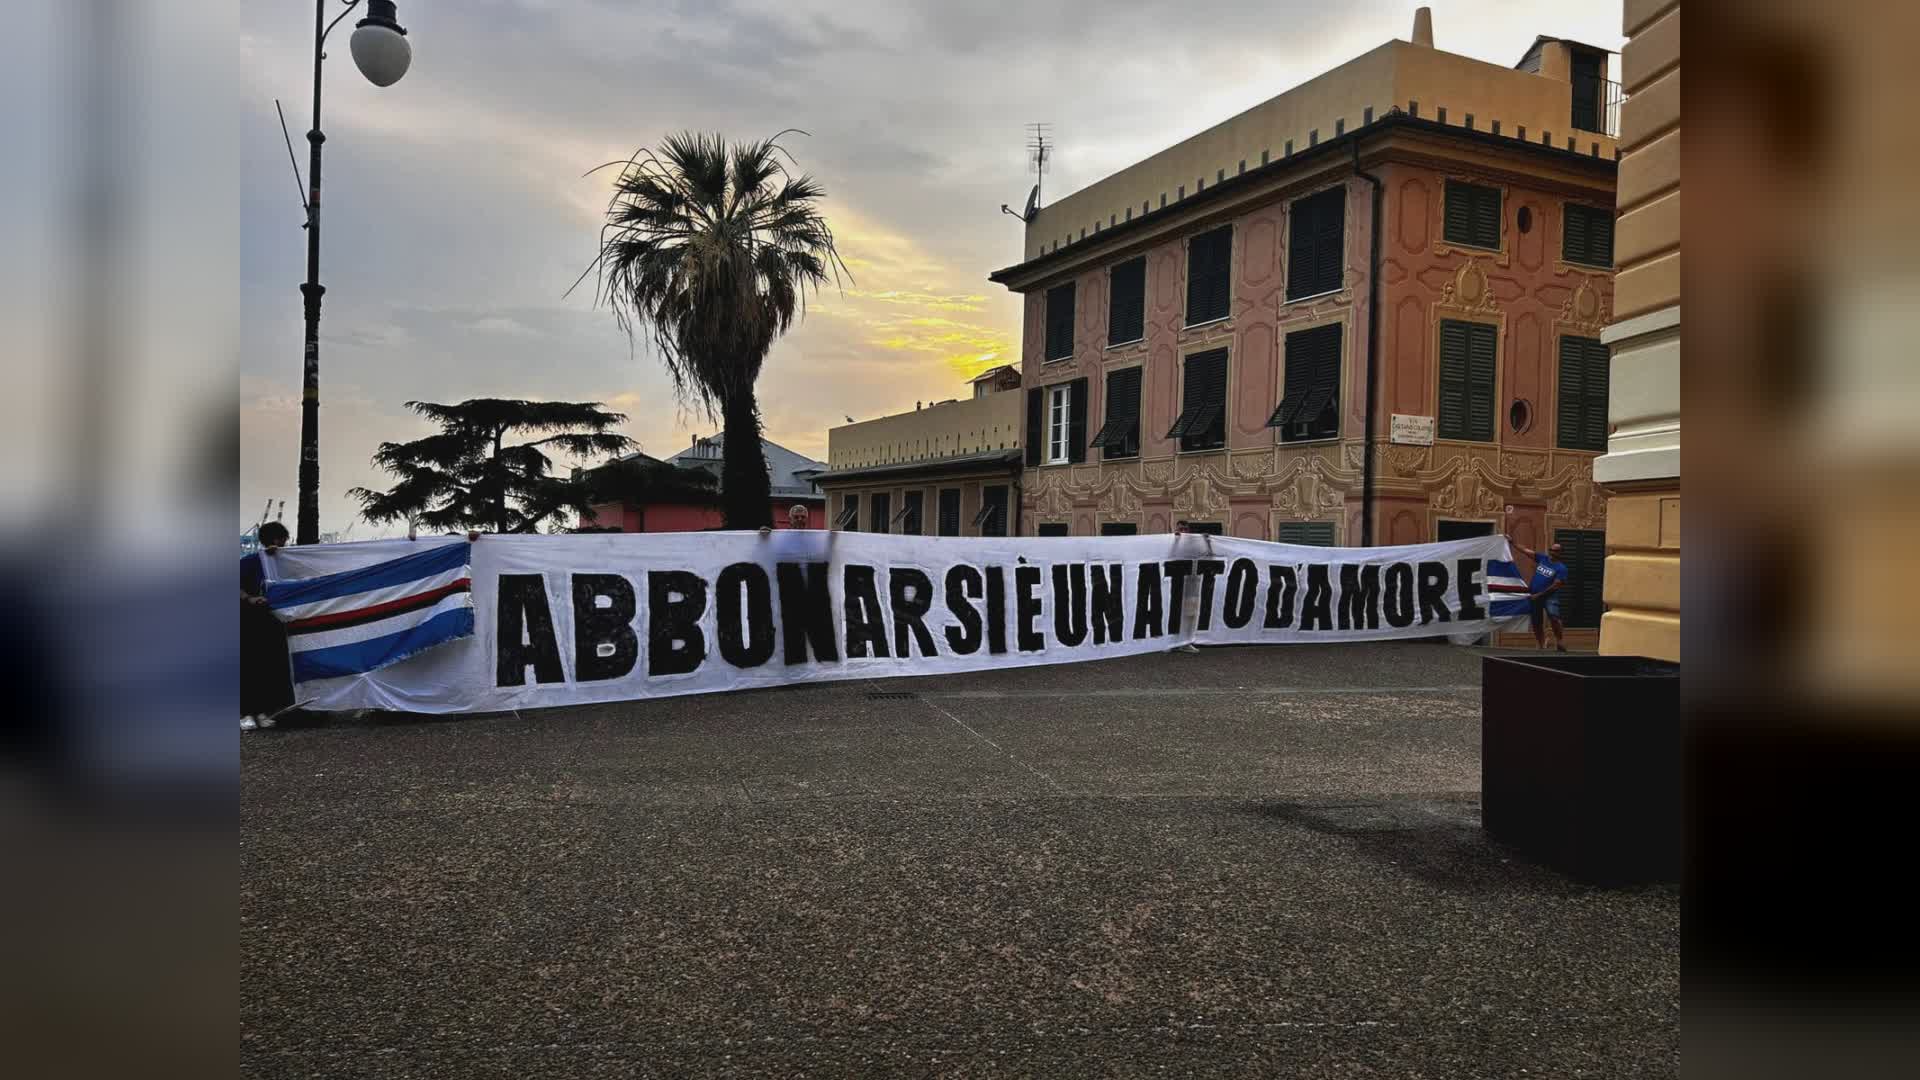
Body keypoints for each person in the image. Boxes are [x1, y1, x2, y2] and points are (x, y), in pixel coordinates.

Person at [241, 522, 294, 730]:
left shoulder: (286, 562)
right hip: (251, 622)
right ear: (275, 540)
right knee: (250, 667)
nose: (284, 545)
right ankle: (245, 713)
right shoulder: (251, 562)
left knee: (270, 667)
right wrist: (250, 598)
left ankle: (263, 711)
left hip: (275, 623)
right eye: (282, 540)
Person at [1508, 533, 1569, 652]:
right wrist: (1512, 542)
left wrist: (1539, 595)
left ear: (1560, 553)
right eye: (1551, 550)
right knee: (1536, 621)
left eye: (1555, 551)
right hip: (1534, 595)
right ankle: (1541, 644)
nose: (1552, 552)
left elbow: (1555, 585)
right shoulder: (1543, 558)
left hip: (1549, 597)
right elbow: (1526, 551)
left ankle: (1560, 641)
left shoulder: (1561, 568)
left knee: (1554, 617)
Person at [1171, 520, 1203, 654]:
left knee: (1190, 613)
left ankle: (1187, 642)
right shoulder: (1171, 542)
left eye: (1185, 529)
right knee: (1174, 613)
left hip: (1192, 584)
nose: (1183, 532)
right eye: (1180, 529)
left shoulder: (1195, 544)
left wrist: (1206, 541)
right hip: (1175, 584)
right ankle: (1173, 642)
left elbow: (1207, 555)